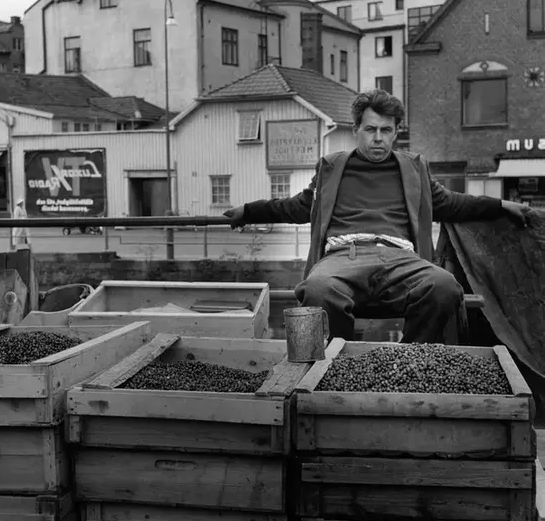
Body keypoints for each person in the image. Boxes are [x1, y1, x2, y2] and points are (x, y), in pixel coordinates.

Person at [223, 89, 532, 344]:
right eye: (370, 130)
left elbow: (452, 203)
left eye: (386, 130)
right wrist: (249, 211)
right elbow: (297, 207)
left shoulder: (414, 167)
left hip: (400, 258)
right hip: (344, 255)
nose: (378, 138)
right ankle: (336, 368)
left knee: (444, 287)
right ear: (356, 129)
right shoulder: (332, 167)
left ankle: (411, 360)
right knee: (317, 290)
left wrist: (501, 206)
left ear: (396, 132)